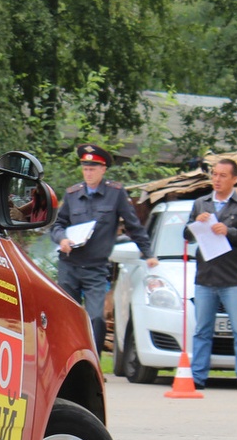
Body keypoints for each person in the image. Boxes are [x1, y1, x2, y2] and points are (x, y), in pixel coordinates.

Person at [50, 143, 158, 352]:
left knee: (96, 317)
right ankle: (66, 359)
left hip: (95, 267)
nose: (88, 173)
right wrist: (62, 239)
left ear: (103, 170)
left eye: (93, 169)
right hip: (70, 265)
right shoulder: (73, 194)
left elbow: (133, 226)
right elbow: (57, 225)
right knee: (66, 316)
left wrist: (149, 253)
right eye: (85, 169)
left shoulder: (115, 193)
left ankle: (94, 362)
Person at [182, 158, 237, 392]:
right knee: (202, 330)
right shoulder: (201, 203)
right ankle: (198, 375)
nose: (217, 179)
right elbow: (186, 235)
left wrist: (230, 232)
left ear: (234, 179)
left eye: (222, 175)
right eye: (214, 175)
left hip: (233, 278)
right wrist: (194, 224)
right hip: (205, 277)